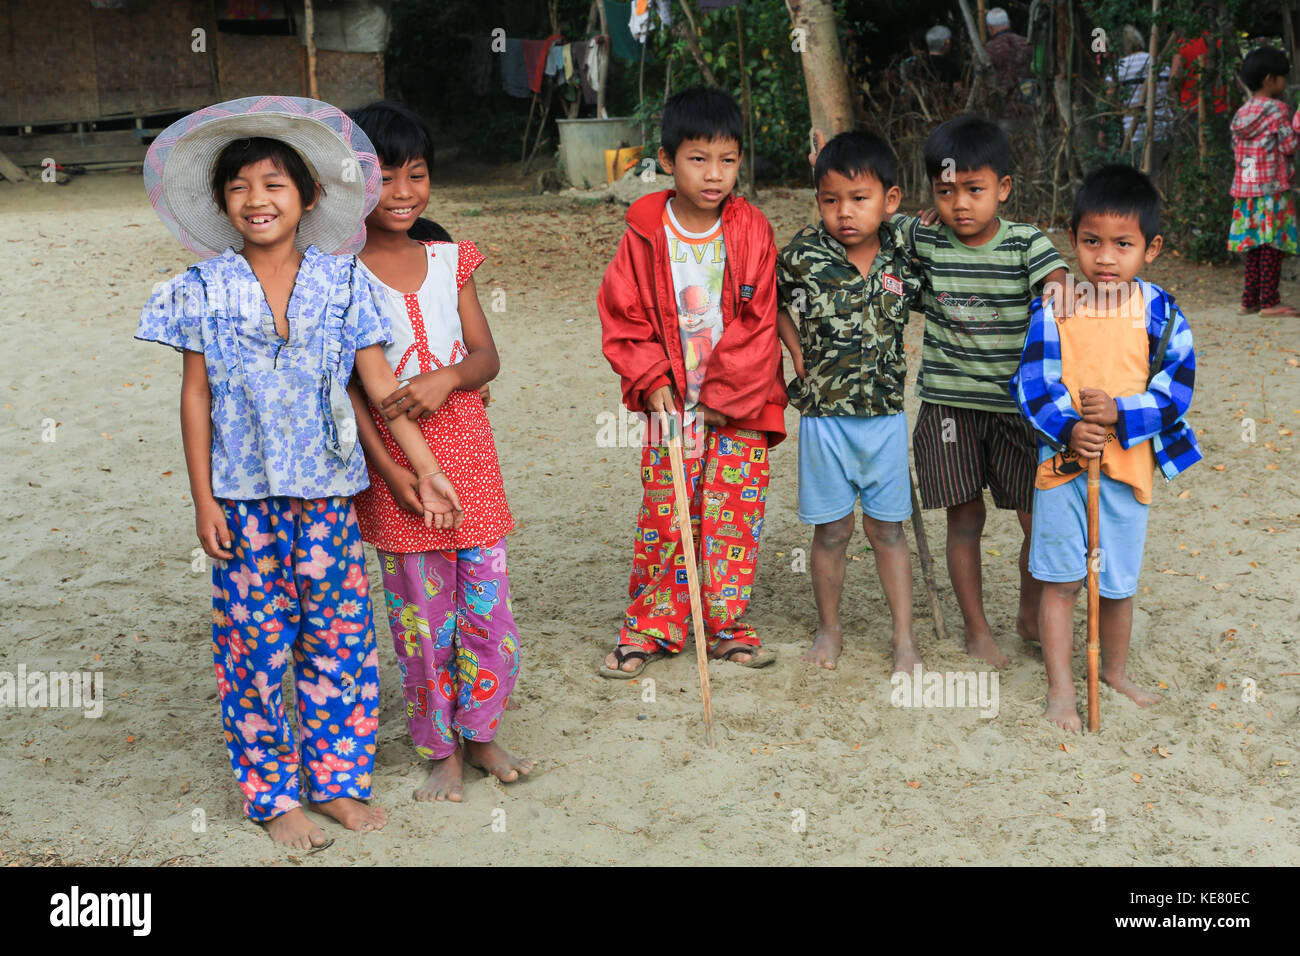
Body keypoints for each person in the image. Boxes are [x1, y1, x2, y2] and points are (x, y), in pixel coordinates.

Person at [135, 96, 463, 850]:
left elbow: (381, 387)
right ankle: (273, 796)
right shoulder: (202, 286)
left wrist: (426, 467)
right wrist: (202, 500)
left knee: (340, 643)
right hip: (243, 505)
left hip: (328, 500)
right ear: (222, 204)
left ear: (309, 198)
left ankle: (338, 786)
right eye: (241, 186)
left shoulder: (343, 282)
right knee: (252, 653)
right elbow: (196, 397)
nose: (258, 199)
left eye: (275, 184)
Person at [347, 100, 532, 802]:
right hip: (397, 466)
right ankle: (438, 747)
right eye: (382, 176)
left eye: (415, 174)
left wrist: (448, 376)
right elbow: (353, 393)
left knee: (488, 607)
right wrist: (392, 473)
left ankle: (481, 731)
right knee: (423, 621)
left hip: (472, 454)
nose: (401, 192)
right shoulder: (336, 272)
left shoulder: (449, 259)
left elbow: (486, 356)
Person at [597, 85, 787, 677]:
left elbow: (760, 324)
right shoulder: (644, 231)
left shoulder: (752, 229)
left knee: (733, 517)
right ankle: (652, 626)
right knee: (667, 513)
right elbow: (622, 312)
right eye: (698, 159)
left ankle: (725, 624)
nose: (714, 174)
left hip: (741, 407)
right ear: (667, 159)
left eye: (727, 160)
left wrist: (722, 401)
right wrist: (652, 379)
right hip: (669, 404)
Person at [1012, 165, 1200, 731]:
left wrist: (1121, 413)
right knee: (1063, 580)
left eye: (1123, 245)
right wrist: (1069, 428)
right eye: (1092, 242)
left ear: (1151, 248)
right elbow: (1031, 383)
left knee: (1117, 582)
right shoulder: (1057, 305)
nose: (1105, 258)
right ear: (1074, 241)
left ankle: (1114, 671)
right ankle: (1062, 688)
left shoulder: (1161, 312)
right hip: (1064, 468)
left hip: (1128, 467)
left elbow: (1178, 386)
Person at [893, 115, 1069, 669]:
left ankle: (1027, 608)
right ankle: (976, 628)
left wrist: (1057, 297)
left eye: (975, 190)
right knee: (963, 521)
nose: (960, 205)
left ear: (1004, 188)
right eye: (945, 193)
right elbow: (870, 210)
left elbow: (1058, 279)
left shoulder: (1025, 242)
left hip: (1021, 410)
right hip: (949, 408)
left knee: (1036, 520)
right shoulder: (924, 235)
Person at [776, 131, 924, 672]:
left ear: (889, 200)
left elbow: (937, 232)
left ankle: (904, 637)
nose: (844, 212)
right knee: (832, 531)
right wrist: (795, 354)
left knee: (887, 530)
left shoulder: (903, 254)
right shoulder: (804, 255)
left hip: (884, 419)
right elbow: (768, 300)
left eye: (859, 199)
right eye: (830, 199)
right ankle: (829, 630)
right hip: (823, 420)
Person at [1228, 47, 1299, 316]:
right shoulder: (1278, 111)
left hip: (1245, 191)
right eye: (1283, 77)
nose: (1285, 82)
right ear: (1270, 79)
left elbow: (1237, 149)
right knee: (1272, 245)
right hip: (1272, 189)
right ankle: (1270, 302)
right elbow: (1289, 145)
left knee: (1254, 245)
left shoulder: (1242, 113)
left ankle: (1250, 300)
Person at [1109, 24, 1174, 169]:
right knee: (1158, 176)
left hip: (1132, 134)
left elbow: (1109, 100)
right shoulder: (1159, 63)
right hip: (1162, 129)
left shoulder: (1120, 67)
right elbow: (1170, 93)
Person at [984, 7, 1030, 104]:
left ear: (991, 28)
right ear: (1009, 23)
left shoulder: (989, 49)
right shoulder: (1027, 43)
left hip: (1003, 107)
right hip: (1029, 105)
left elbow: (983, 80)